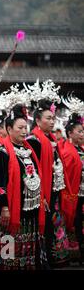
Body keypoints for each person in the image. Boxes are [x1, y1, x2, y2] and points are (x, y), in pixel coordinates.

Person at [0, 104, 46, 269]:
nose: (24, 131)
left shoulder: (29, 149)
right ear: (8, 129)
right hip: (12, 210)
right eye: (20, 128)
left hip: (31, 209)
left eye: (25, 127)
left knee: (27, 252)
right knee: (10, 250)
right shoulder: (0, 151)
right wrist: (4, 206)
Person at [26, 92, 70, 268]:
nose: (52, 122)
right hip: (42, 192)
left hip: (54, 191)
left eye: (53, 118)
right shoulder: (34, 141)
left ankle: (56, 258)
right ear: (37, 121)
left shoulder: (52, 139)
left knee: (54, 226)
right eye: (48, 118)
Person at [61, 110, 84, 264]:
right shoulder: (68, 151)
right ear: (70, 133)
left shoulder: (80, 149)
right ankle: (76, 253)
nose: (82, 134)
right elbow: (67, 176)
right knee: (74, 222)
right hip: (74, 192)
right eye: (80, 131)